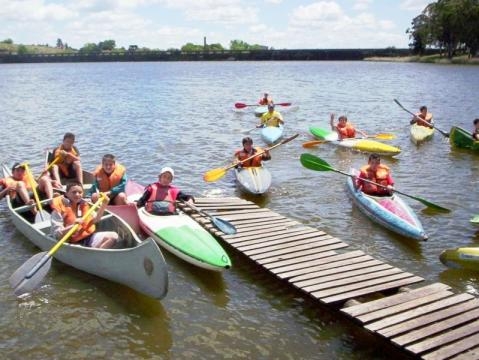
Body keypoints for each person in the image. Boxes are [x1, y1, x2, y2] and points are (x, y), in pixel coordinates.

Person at [50, 181, 118, 248]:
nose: (77, 194)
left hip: (87, 237)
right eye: (74, 192)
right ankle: (94, 255)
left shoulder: (83, 204)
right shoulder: (58, 209)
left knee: (113, 236)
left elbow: (96, 219)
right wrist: (72, 226)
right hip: (71, 242)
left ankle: (95, 254)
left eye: (80, 192)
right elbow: (57, 235)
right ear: (67, 193)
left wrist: (104, 204)